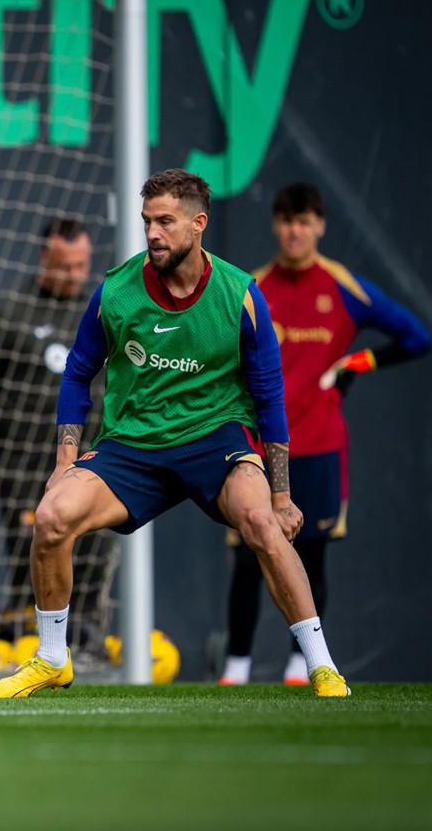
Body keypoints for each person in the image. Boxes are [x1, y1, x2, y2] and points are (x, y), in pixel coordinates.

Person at [0, 168, 350, 699]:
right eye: (146, 222)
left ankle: (321, 665)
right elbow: (78, 374)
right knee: (51, 518)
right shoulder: (116, 290)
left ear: (198, 224)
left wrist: (281, 494)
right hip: (132, 447)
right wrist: (65, 460)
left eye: (166, 221)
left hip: (215, 441)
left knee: (261, 522)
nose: (153, 233)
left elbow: (269, 398)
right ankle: (51, 658)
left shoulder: (241, 294)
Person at [220, 183, 429, 685]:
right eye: (287, 220)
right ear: (276, 225)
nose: (296, 230)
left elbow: (416, 336)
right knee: (250, 555)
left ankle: (300, 664)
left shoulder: (343, 286)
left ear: (320, 225)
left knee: (310, 553)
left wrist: (361, 360)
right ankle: (236, 668)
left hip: (319, 444)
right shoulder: (254, 287)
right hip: (255, 448)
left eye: (305, 220)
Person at [0, 217, 116, 654]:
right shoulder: (11, 313)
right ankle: (36, 645)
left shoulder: (100, 312)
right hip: (25, 466)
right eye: (65, 266)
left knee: (95, 554)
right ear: (44, 256)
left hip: (94, 464)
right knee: (35, 555)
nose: (74, 275)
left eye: (81, 266)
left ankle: (88, 644)